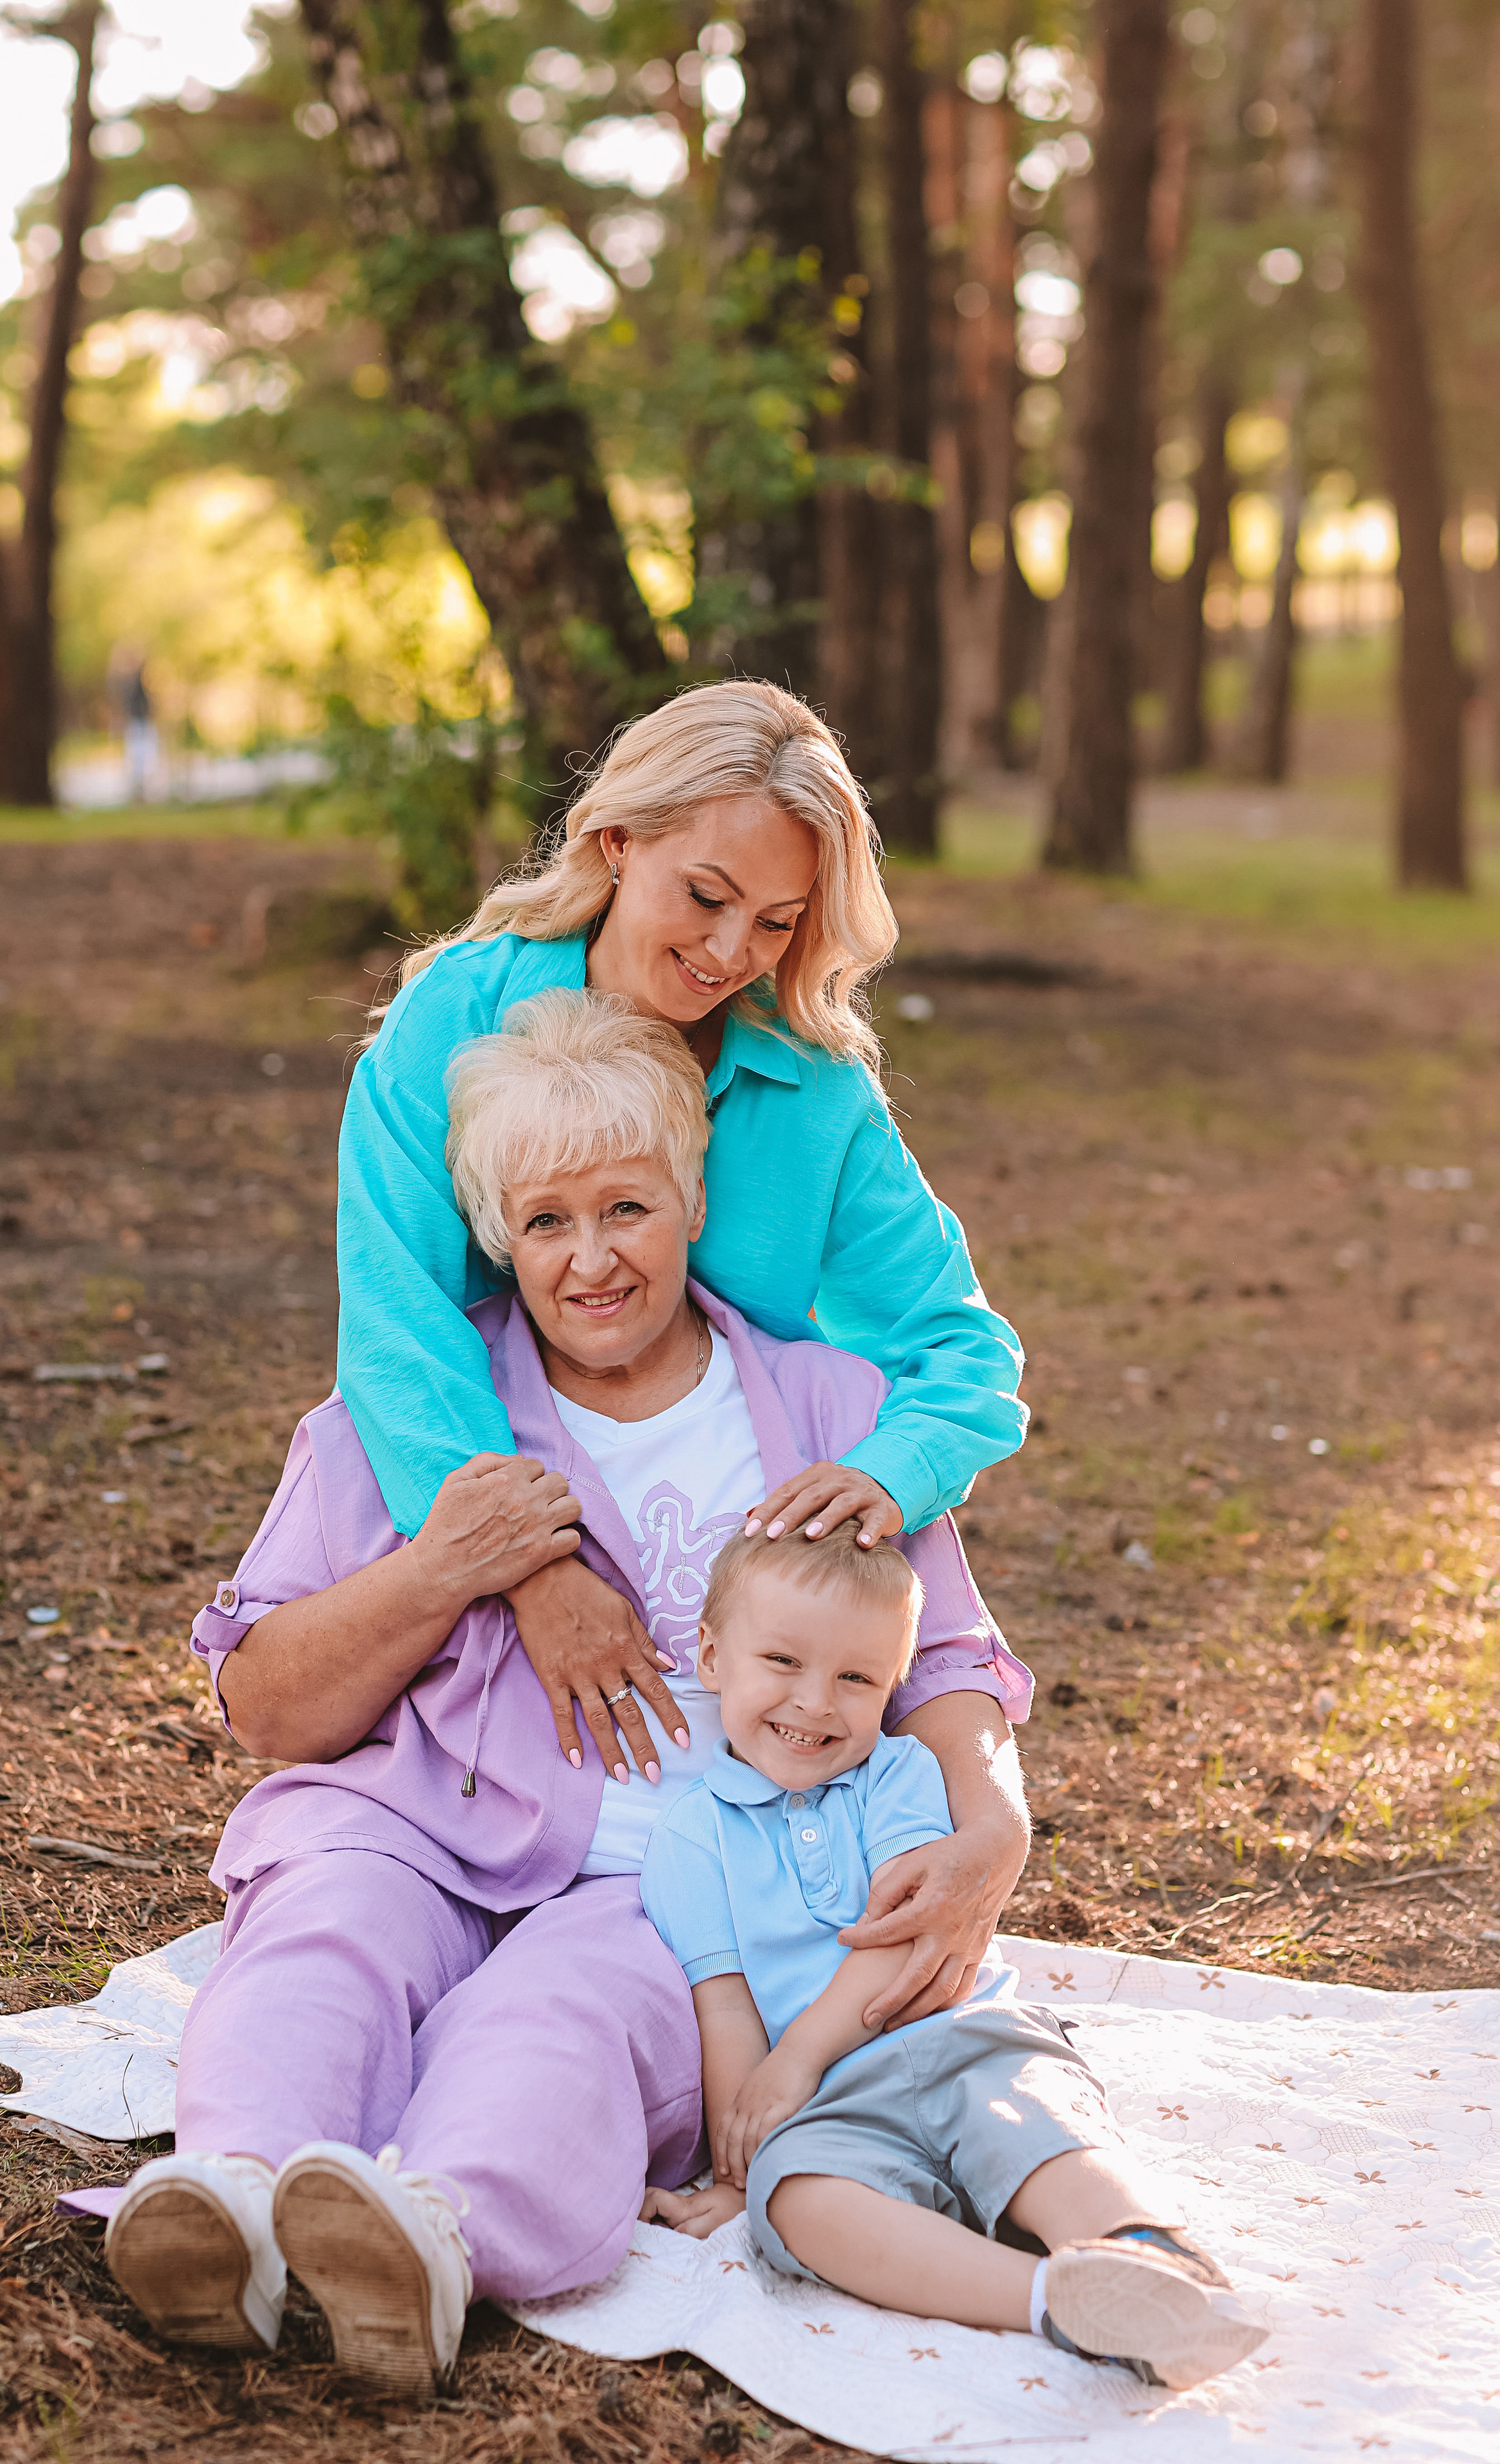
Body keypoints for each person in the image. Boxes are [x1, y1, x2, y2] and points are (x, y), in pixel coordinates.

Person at [102, 992, 1034, 2400]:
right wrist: (440, 1571)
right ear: (496, 1237)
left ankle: (426, 2242)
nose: (591, 1260)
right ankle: (224, 2206)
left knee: (559, 2015)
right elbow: (273, 1714)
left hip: (684, 1865)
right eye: (546, 1223)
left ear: (690, 1200)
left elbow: (948, 1657)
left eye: (626, 1210)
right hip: (414, 1815)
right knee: (326, 1932)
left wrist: (989, 1826)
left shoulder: (832, 1406)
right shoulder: (403, 1418)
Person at [334, 682, 1029, 1990]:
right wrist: (528, 1571)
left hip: (738, 1596)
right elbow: (397, 1325)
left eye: (773, 923)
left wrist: (885, 1474)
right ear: (614, 845)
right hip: (490, 1557)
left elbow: (963, 1352)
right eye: (703, 897)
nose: (728, 953)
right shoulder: (454, 1020)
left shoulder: (812, 1086)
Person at [638, 1523, 1268, 2393]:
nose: (816, 1704)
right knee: (796, 2204)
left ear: (894, 1685)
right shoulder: (688, 1841)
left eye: (856, 1678)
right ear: (712, 1655)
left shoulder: (897, 1774)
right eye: (782, 1662)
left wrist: (798, 2057)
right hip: (833, 2111)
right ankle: (1059, 2299)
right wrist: (739, 2166)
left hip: (958, 2034)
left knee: (1032, 2119)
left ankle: (1148, 2252)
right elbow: (726, 2009)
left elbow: (903, 1932)